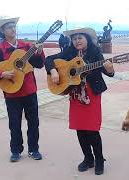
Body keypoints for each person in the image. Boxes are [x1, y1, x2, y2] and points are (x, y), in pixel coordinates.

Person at [45, 27, 115, 175]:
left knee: (92, 129)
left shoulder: (95, 52)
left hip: (92, 94)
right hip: (76, 94)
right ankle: (88, 158)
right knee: (80, 128)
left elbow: (108, 73)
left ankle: (99, 159)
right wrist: (53, 70)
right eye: (74, 38)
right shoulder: (69, 52)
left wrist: (110, 69)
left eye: (80, 38)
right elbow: (49, 59)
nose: (77, 41)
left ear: (87, 39)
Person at [0, 17, 45, 162]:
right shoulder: (0, 49)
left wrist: (39, 51)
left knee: (34, 122)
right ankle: (16, 150)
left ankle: (34, 149)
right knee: (14, 124)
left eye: (14, 26)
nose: (13, 29)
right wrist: (1, 73)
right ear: (2, 31)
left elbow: (39, 64)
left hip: (29, 91)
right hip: (12, 92)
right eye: (9, 27)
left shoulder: (26, 45)